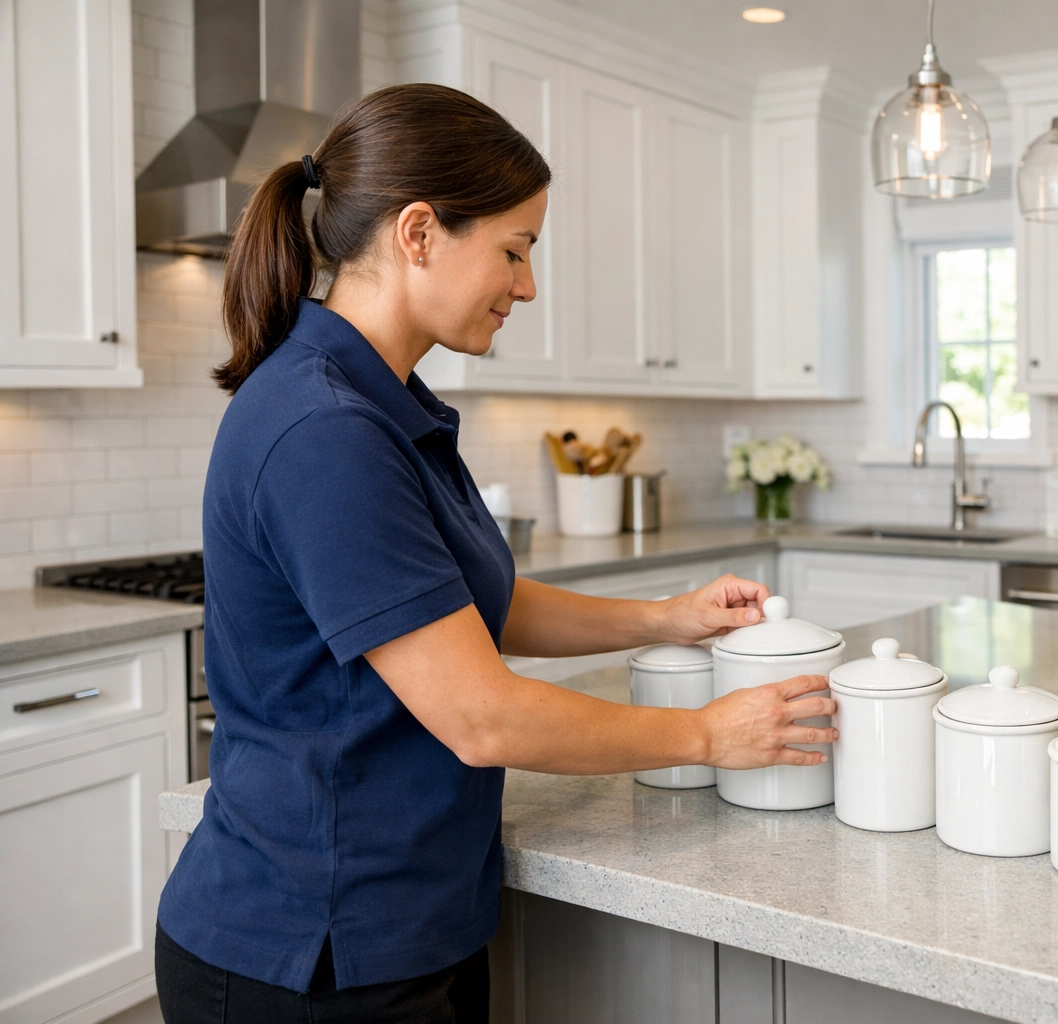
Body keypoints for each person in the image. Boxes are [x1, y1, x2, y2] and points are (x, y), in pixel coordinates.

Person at [153, 83, 835, 1024]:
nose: (527, 286)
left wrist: (669, 618)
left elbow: (480, 606)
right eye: (514, 250)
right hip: (312, 950)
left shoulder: (383, 403)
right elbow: (482, 716)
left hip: (402, 923)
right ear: (418, 233)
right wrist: (710, 735)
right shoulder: (325, 430)